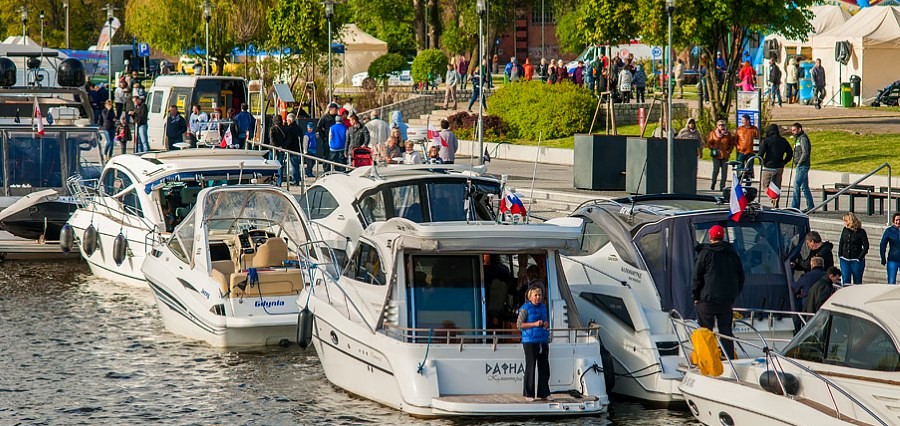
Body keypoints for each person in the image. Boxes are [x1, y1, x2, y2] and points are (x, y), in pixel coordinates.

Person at [692, 224, 744, 359]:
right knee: (726, 331)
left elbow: (697, 277)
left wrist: (696, 296)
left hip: (706, 300)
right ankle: (730, 358)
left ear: (710, 237)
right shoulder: (733, 254)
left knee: (705, 331)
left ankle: (708, 359)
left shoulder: (705, 253)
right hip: (726, 301)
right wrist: (733, 294)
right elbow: (741, 277)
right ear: (723, 237)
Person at [517, 285, 551, 401]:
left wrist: (545, 324)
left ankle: (544, 392)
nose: (538, 297)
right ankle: (528, 394)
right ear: (530, 297)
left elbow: (545, 321)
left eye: (539, 295)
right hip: (530, 341)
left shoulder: (543, 307)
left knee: (544, 367)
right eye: (535, 295)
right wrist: (534, 324)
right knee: (530, 366)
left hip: (542, 340)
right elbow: (519, 325)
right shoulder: (525, 308)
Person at [758, 123, 793, 206]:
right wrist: (785, 161)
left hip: (768, 166)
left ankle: (772, 198)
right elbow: (790, 152)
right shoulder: (783, 140)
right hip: (779, 166)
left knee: (765, 185)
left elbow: (760, 154)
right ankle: (776, 201)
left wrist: (762, 163)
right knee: (777, 186)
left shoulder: (766, 141)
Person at [837, 212, 868, 284]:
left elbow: (866, 246)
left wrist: (859, 258)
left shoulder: (861, 232)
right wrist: (840, 255)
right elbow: (841, 242)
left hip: (856, 260)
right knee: (846, 279)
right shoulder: (845, 230)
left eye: (845, 221)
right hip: (845, 259)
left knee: (857, 280)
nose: (844, 223)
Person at [706, 120, 735, 191]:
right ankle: (713, 183)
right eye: (720, 125)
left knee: (724, 172)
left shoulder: (727, 134)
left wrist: (729, 151)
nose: (721, 126)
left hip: (725, 155)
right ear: (717, 126)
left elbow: (731, 144)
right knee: (716, 170)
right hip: (716, 155)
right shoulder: (713, 133)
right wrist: (713, 148)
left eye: (723, 125)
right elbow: (709, 143)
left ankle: (722, 186)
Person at [790, 122, 813, 210]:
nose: (793, 132)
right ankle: (811, 206)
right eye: (792, 130)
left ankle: (795, 207)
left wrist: (799, 162)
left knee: (796, 185)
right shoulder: (798, 138)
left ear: (799, 129)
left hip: (803, 166)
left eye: (795, 130)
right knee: (805, 187)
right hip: (800, 165)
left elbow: (805, 152)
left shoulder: (803, 138)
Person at [316, 102, 339, 170]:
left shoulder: (337, 117)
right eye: (335, 109)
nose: (336, 111)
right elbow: (319, 127)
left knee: (336, 155)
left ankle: (337, 169)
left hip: (336, 139)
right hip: (327, 139)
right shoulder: (325, 117)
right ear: (331, 109)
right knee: (327, 155)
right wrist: (324, 137)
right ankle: (326, 169)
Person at [880, 212, 900, 284]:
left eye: (899, 220)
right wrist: (883, 258)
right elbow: (883, 244)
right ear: (893, 221)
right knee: (891, 282)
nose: (898, 222)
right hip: (893, 259)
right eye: (896, 220)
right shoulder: (889, 231)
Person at [269, 116, 287, 185]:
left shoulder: (272, 129)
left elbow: (272, 139)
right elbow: (288, 139)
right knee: (280, 165)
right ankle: (279, 181)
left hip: (273, 149)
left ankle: (271, 179)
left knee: (270, 164)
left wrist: (276, 147)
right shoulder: (285, 129)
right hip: (281, 149)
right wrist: (282, 146)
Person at [284, 113, 302, 184]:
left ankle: (295, 180)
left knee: (294, 165)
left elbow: (289, 140)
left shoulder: (289, 129)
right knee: (297, 165)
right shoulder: (299, 128)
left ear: (289, 120)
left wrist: (285, 146)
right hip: (298, 148)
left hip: (292, 149)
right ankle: (298, 177)